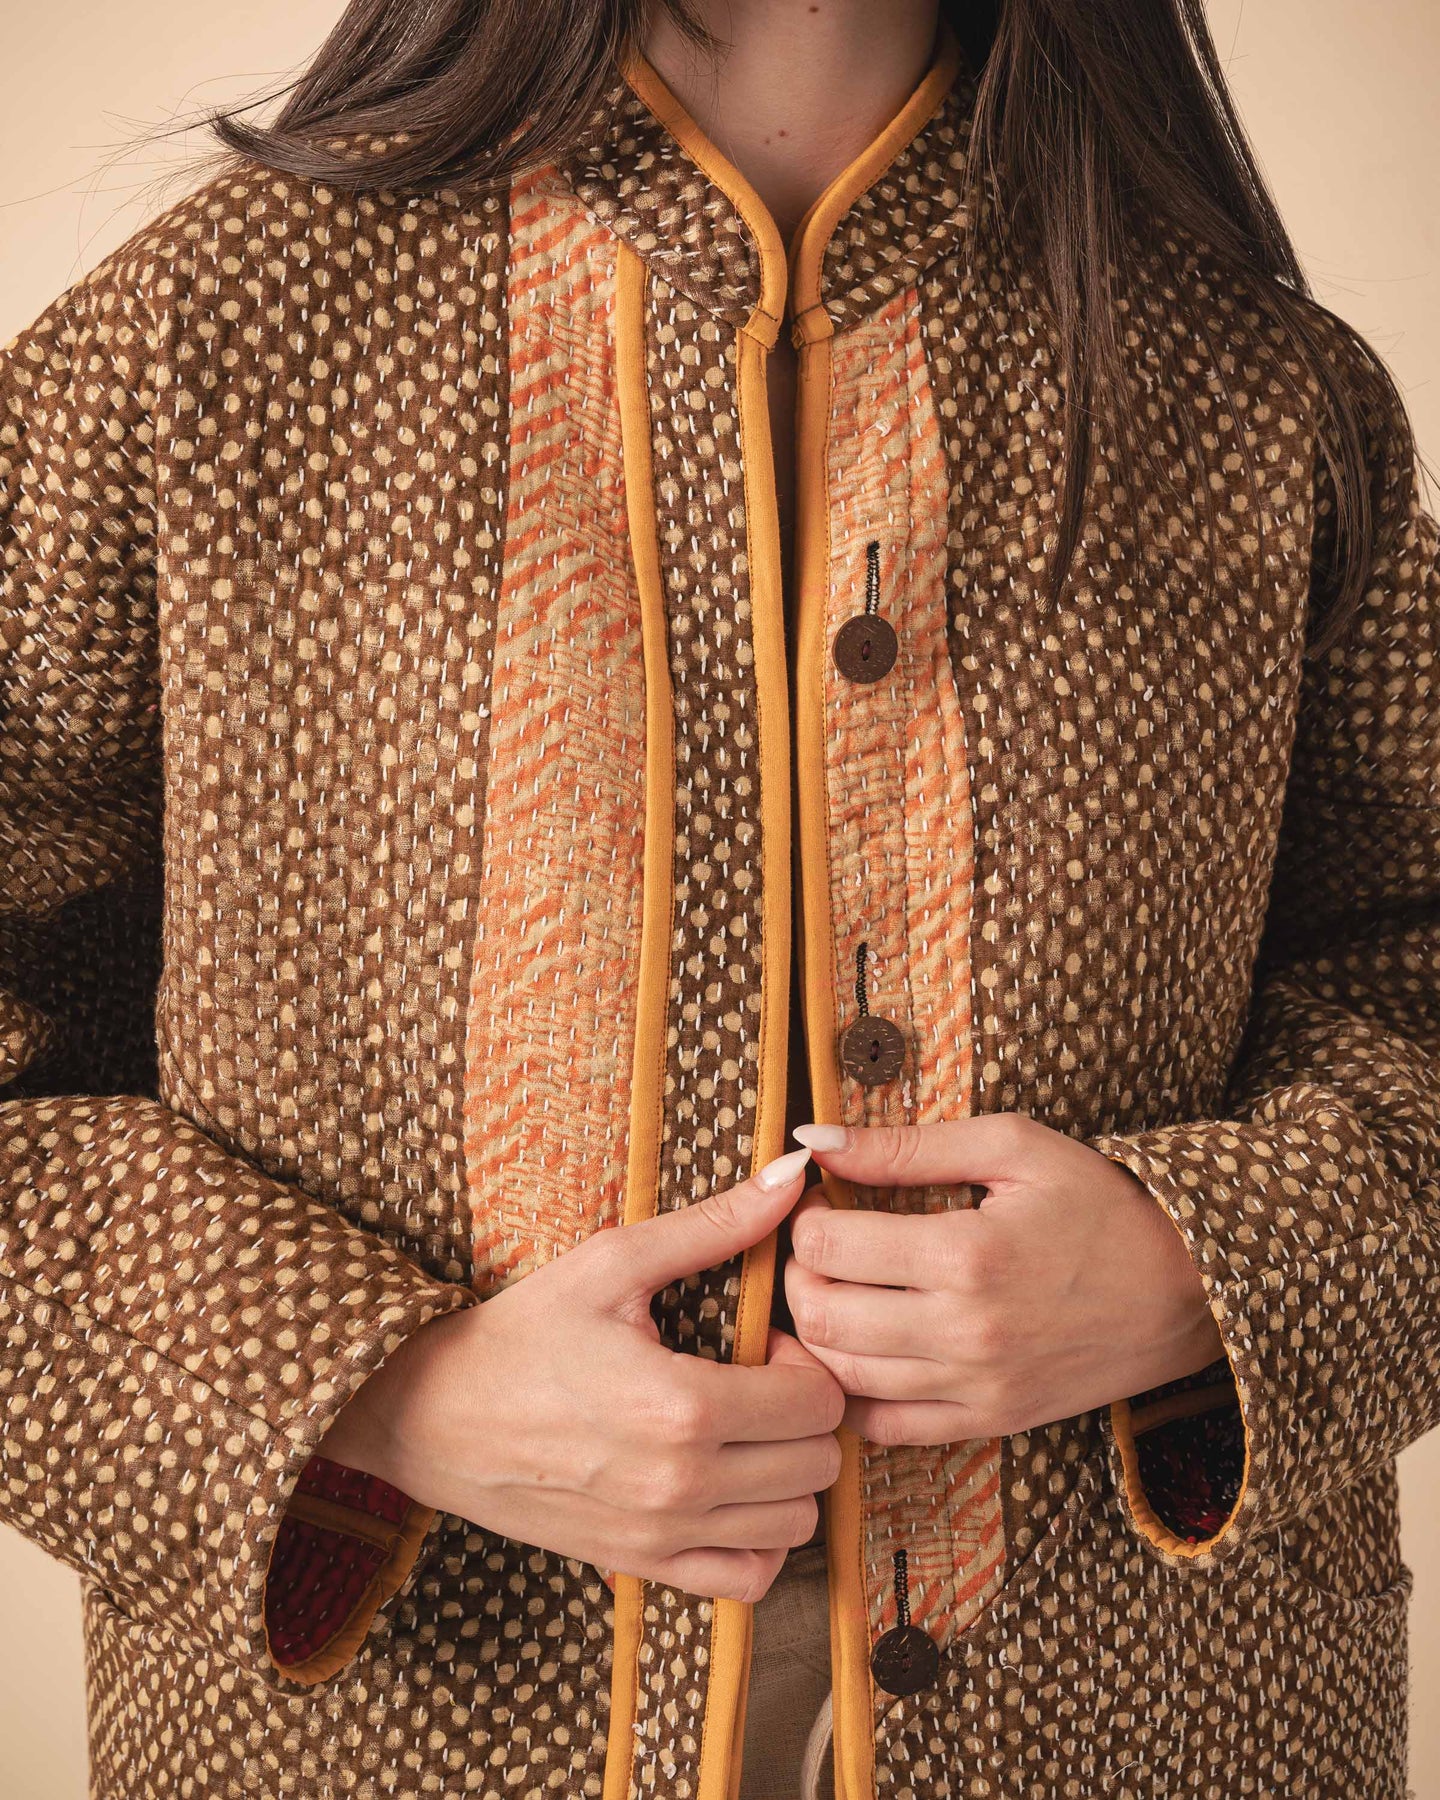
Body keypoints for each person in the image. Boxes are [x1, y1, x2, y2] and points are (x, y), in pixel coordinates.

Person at [0, 1, 1434, 1795]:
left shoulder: (1252, 386)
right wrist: (376, 1392)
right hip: (380, 1725)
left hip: (1173, 1720)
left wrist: (1200, 1266)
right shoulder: (209, 337)